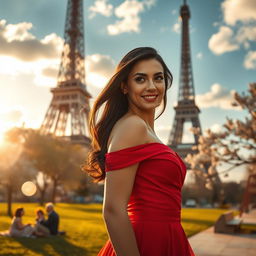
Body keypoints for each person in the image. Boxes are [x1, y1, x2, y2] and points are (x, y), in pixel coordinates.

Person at [82, 47, 195, 255]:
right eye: (140, 79)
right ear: (124, 86)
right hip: (146, 241)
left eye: (158, 78)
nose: (151, 86)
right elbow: (113, 210)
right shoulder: (132, 126)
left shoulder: (142, 129)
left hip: (166, 237)